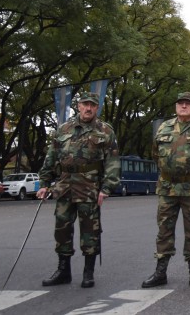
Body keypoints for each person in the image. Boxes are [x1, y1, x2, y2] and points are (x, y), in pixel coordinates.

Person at [36, 92, 120, 289]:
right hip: (64, 186)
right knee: (62, 229)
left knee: (90, 231)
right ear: (78, 106)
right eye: (84, 104)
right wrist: (44, 183)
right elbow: (51, 156)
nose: (88, 108)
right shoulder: (64, 129)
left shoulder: (105, 131)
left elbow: (113, 162)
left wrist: (107, 187)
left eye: (92, 105)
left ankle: (88, 273)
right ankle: (63, 270)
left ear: (96, 108)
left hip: (90, 186)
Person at [141, 92, 190, 289]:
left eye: (188, 104)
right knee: (164, 230)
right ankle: (161, 272)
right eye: (181, 103)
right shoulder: (164, 127)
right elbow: (155, 154)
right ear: (176, 106)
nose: (184, 106)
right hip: (167, 187)